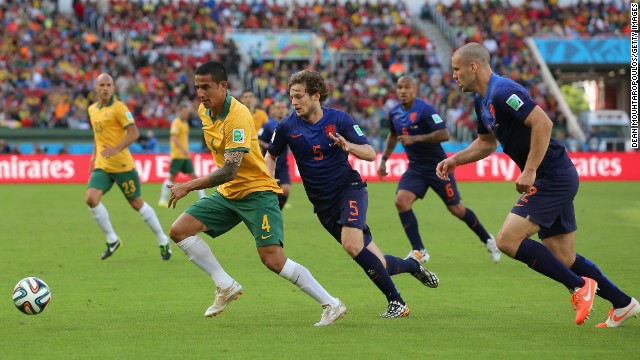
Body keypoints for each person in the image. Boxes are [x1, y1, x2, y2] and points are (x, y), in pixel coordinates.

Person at [437, 42, 638, 327]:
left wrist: (529, 170)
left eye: (456, 69)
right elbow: (486, 143)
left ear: (473, 66)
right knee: (564, 257)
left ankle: (580, 286)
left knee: (507, 240)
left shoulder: (503, 91)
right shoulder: (481, 100)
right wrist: (455, 159)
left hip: (552, 176)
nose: (453, 76)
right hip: (553, 176)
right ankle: (623, 303)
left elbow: (542, 123)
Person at [166, 61, 346, 326]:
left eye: (206, 87)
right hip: (229, 193)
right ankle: (225, 284)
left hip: (256, 191)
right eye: (197, 87)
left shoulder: (238, 115)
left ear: (223, 86)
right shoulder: (204, 112)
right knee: (179, 231)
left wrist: (188, 185)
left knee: (273, 260)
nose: (201, 93)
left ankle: (332, 303)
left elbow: (229, 169)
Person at [265, 69, 439, 319]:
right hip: (322, 204)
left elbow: (369, 152)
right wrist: (269, 179)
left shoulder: (339, 119)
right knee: (378, 261)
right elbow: (271, 156)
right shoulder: (287, 126)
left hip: (350, 189)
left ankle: (397, 303)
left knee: (351, 244)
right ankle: (412, 265)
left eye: (298, 96)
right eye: (291, 97)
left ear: (315, 95)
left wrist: (349, 146)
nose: (293, 102)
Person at [377, 75, 500, 264]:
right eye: (399, 87)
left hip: (438, 167)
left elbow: (445, 134)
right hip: (416, 168)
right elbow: (393, 136)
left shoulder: (425, 110)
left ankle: (488, 239)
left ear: (415, 90)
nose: (402, 91)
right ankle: (419, 250)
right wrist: (384, 159)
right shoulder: (394, 113)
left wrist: (416, 138)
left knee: (456, 209)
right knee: (401, 201)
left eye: (407, 87)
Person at [86, 73, 172, 261]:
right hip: (103, 165)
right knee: (91, 198)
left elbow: (134, 133)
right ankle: (112, 238)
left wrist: (116, 148)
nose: (105, 88)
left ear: (113, 88)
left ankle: (163, 239)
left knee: (137, 204)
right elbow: (97, 135)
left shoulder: (119, 108)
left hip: (123, 165)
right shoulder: (92, 109)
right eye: (102, 85)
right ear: (96, 87)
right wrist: (94, 155)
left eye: (109, 84)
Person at [158, 104, 206, 207]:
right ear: (180, 112)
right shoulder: (176, 122)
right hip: (177, 155)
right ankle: (162, 200)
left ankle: (203, 198)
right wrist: (183, 149)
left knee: (194, 176)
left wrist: (186, 149)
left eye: (187, 113)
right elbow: (174, 137)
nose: (186, 114)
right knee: (171, 177)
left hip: (185, 156)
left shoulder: (185, 123)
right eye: (184, 112)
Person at [258, 100, 291, 209]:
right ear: (273, 110)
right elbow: (258, 139)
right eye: (278, 108)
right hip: (269, 164)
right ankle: (268, 215)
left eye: (283, 107)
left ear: (286, 110)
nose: (281, 110)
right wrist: (270, 146)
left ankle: (277, 213)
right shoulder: (268, 126)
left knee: (286, 189)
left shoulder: (289, 124)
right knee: (268, 193)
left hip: (282, 165)